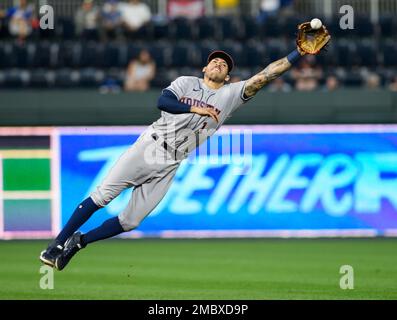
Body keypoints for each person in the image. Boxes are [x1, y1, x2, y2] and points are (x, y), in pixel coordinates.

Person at [39, 24, 329, 271]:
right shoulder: (186, 83)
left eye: (224, 64)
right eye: (214, 61)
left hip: (171, 162)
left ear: (227, 76)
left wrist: (298, 54)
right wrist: (198, 110)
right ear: (204, 68)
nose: (218, 63)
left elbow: (265, 76)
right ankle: (56, 244)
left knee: (131, 221)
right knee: (102, 196)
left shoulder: (230, 95)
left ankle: (80, 241)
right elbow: (162, 102)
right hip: (149, 147)